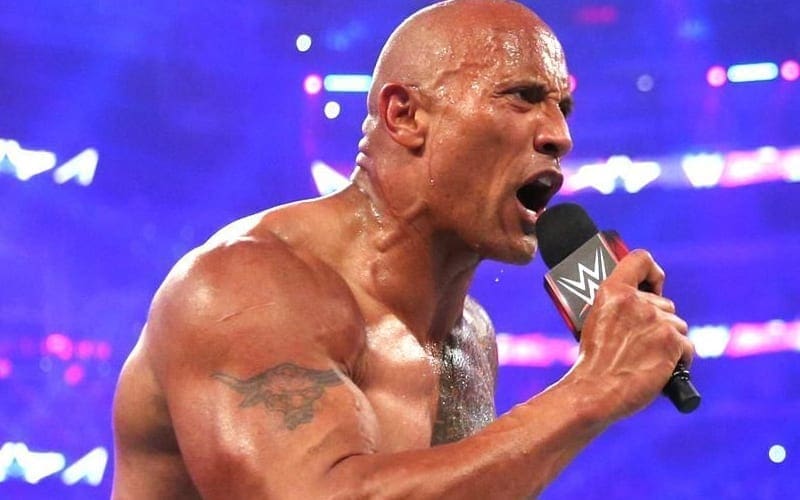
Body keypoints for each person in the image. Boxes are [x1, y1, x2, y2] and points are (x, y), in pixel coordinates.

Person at [112, 0, 694, 497]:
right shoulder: (247, 286)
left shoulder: (470, 337)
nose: (559, 135)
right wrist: (591, 388)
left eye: (561, 108)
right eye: (523, 97)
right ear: (405, 115)